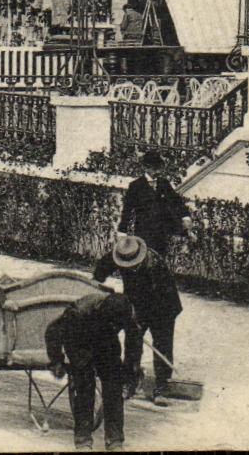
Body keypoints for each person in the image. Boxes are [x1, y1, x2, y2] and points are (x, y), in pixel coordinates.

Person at [44, 291, 144, 451]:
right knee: (84, 387)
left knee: (114, 388)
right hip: (79, 341)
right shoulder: (79, 312)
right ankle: (83, 440)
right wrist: (57, 361)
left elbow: (134, 339)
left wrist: (130, 370)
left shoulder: (125, 310)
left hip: (106, 342)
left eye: (117, 325)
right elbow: (53, 331)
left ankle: (115, 440)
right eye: (112, 323)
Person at [94, 233, 181, 405]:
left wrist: (137, 319)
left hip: (163, 306)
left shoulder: (155, 266)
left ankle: (161, 386)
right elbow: (101, 271)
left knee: (162, 344)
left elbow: (158, 299)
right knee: (132, 342)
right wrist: (96, 283)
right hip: (137, 303)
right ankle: (130, 381)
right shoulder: (121, 253)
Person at [119, 150, 195, 258]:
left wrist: (185, 217)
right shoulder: (135, 186)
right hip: (143, 232)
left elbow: (176, 201)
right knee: (145, 262)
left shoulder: (164, 183)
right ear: (146, 168)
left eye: (158, 167)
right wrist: (122, 232)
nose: (157, 171)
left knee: (160, 263)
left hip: (161, 233)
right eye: (154, 168)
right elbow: (127, 211)